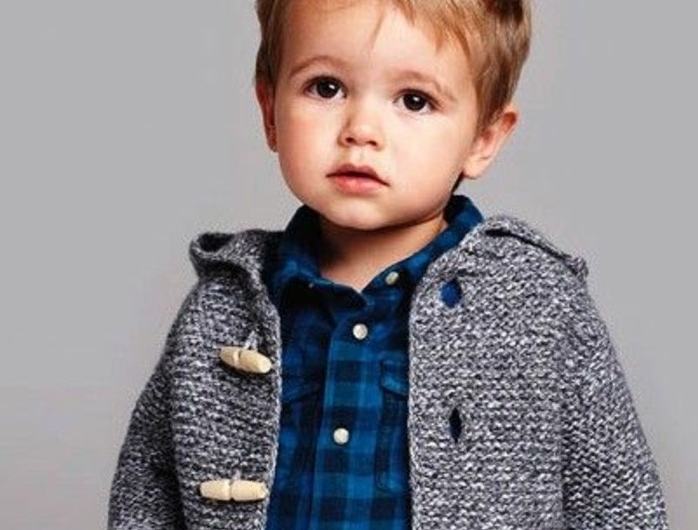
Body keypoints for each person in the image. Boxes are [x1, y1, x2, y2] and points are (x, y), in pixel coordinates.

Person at [109, 1, 669, 529]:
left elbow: (619, 500)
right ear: (269, 110)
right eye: (326, 88)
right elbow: (146, 491)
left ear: (483, 138)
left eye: (414, 101)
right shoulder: (221, 307)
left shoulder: (539, 304)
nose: (362, 130)